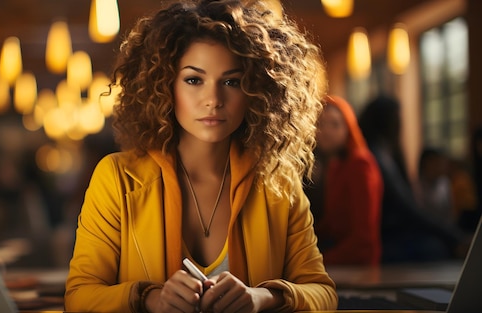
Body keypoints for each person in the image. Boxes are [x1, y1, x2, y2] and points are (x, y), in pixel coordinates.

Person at [65, 0, 338, 312]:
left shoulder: (279, 182)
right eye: (194, 80)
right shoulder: (117, 179)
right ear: (165, 85)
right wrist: (150, 299)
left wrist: (262, 298)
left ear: (257, 91)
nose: (213, 100)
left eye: (232, 81)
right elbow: (79, 298)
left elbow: (323, 293)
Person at [358, 95, 464, 263]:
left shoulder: (383, 153)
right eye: (398, 117)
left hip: (393, 233)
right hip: (386, 238)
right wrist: (453, 236)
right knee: (435, 249)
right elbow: (406, 208)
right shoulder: (376, 156)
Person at [307, 95, 383, 265]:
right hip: (338, 252)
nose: (325, 131)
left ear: (348, 127)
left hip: (356, 262)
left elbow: (364, 240)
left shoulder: (360, 165)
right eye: (320, 124)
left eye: (334, 124)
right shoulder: (333, 165)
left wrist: (318, 262)